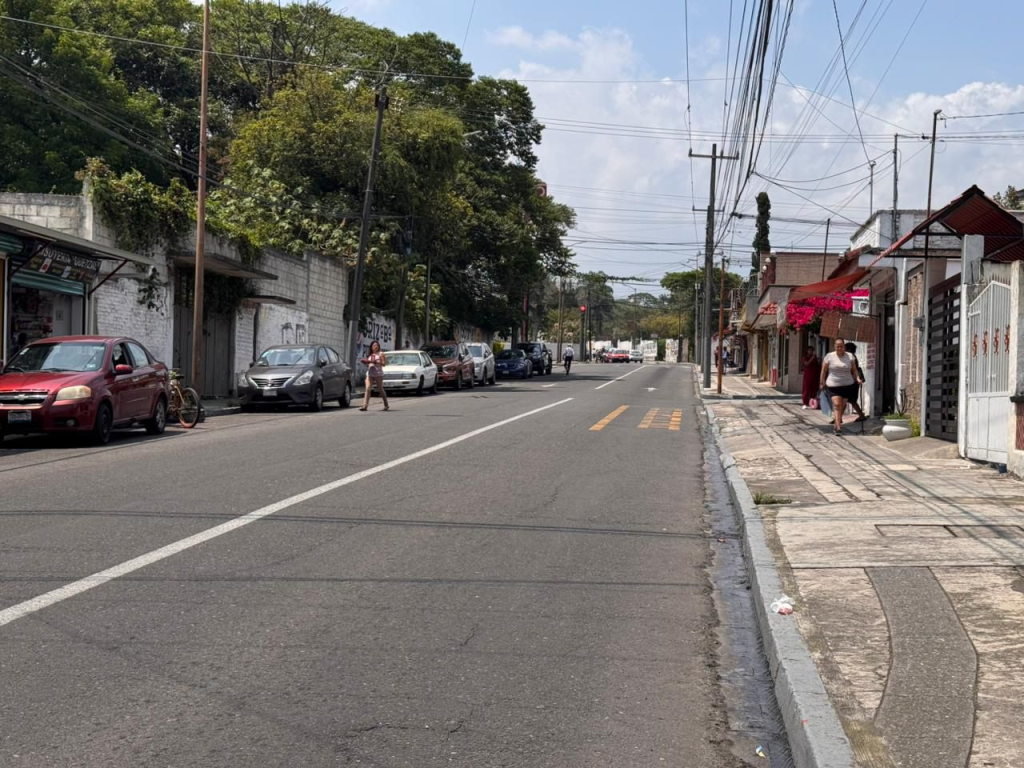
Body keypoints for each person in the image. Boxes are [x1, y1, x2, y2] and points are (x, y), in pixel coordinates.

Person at [819, 337, 862, 436]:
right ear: (834, 346)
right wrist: (822, 382)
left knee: (842, 406)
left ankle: (836, 424)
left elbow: (854, 370)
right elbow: (823, 371)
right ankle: (838, 428)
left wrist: (858, 378)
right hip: (833, 385)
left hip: (847, 385)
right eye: (837, 346)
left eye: (841, 346)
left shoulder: (850, 356)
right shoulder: (829, 356)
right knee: (837, 405)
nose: (839, 348)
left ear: (844, 347)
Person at [359, 340, 389, 411]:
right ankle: (365, 405)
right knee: (368, 388)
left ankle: (386, 405)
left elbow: (384, 364)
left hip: (378, 373)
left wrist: (377, 362)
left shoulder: (381, 354)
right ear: (371, 347)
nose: (375, 346)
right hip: (370, 373)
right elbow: (369, 363)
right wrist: (366, 362)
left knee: (380, 389)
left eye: (377, 345)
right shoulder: (370, 354)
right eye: (374, 345)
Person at [844, 341, 868, 422]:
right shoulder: (851, 357)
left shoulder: (851, 358)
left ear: (848, 349)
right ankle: (838, 418)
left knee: (849, 400)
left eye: (845, 348)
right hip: (851, 381)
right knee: (847, 400)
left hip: (852, 382)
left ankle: (861, 415)